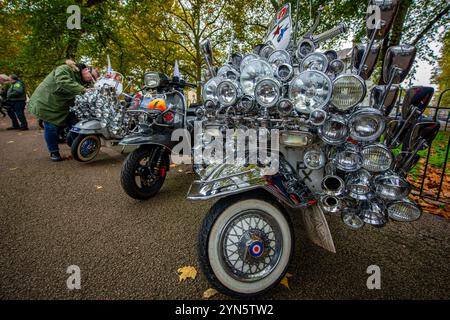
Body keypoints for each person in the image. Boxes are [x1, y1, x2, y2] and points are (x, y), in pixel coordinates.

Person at [28, 60, 99, 161]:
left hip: (64, 106)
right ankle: (54, 153)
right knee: (51, 127)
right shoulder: (65, 69)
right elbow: (63, 81)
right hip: (47, 103)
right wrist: (83, 90)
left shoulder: (83, 80)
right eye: (92, 77)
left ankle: (80, 147)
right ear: (85, 70)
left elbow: (90, 90)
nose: (92, 80)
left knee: (76, 125)